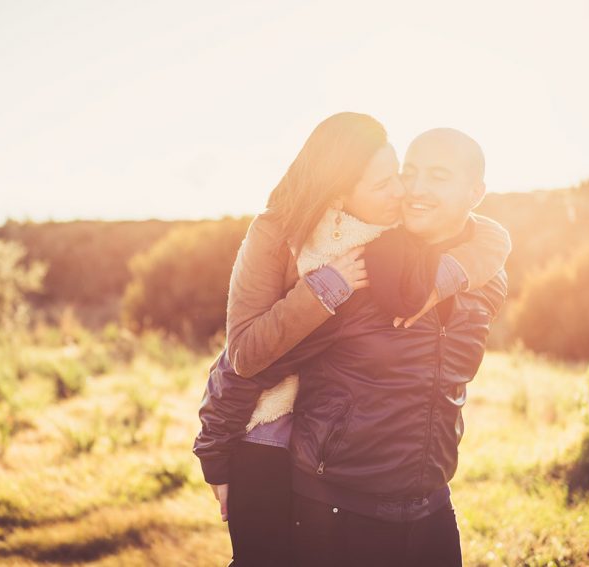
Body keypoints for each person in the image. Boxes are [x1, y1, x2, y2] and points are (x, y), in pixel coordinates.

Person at [194, 116, 511, 566]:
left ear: (475, 193)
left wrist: (447, 278)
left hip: (430, 503)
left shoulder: (484, 280)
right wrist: (215, 452)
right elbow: (247, 360)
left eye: (435, 177)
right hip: (331, 496)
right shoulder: (360, 271)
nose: (410, 190)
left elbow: (486, 239)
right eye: (404, 176)